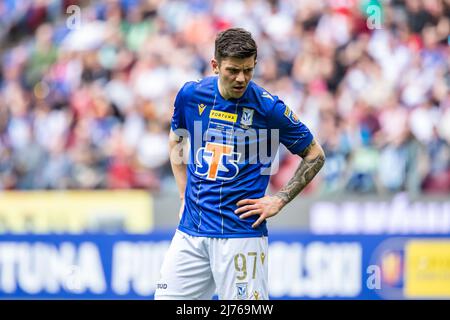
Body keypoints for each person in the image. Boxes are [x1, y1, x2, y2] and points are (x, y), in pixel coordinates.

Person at [155, 28, 325, 300]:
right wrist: (183, 195)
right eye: (233, 70)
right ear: (215, 65)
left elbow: (315, 154)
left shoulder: (269, 108)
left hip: (240, 234)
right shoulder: (190, 95)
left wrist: (279, 199)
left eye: (248, 70)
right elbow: (176, 142)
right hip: (191, 231)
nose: (241, 78)